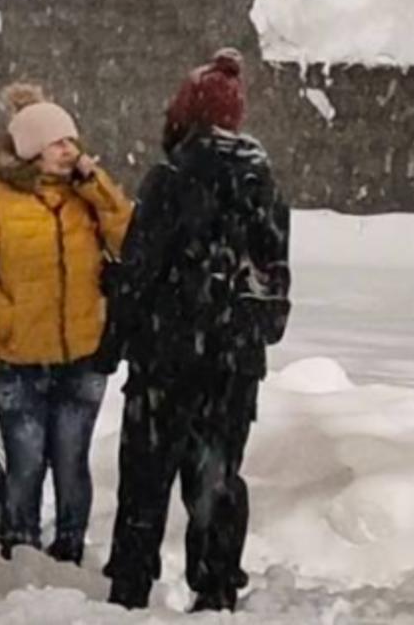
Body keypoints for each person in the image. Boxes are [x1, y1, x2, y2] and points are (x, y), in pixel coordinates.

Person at [103, 50, 291, 613]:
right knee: (216, 475)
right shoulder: (264, 185)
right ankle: (215, 585)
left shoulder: (171, 178)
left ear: (184, 115)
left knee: (145, 478)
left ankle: (131, 588)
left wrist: (112, 342)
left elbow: (141, 272)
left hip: (166, 356)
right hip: (234, 364)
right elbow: (274, 287)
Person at [0, 84, 132, 564]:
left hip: (83, 355)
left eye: (72, 140)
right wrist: (5, 318)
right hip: (19, 359)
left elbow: (132, 240)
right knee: (26, 464)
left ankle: (70, 548)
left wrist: (99, 188)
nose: (71, 149)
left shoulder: (87, 195)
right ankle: (20, 546)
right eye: (58, 142)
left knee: (72, 463)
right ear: (30, 149)